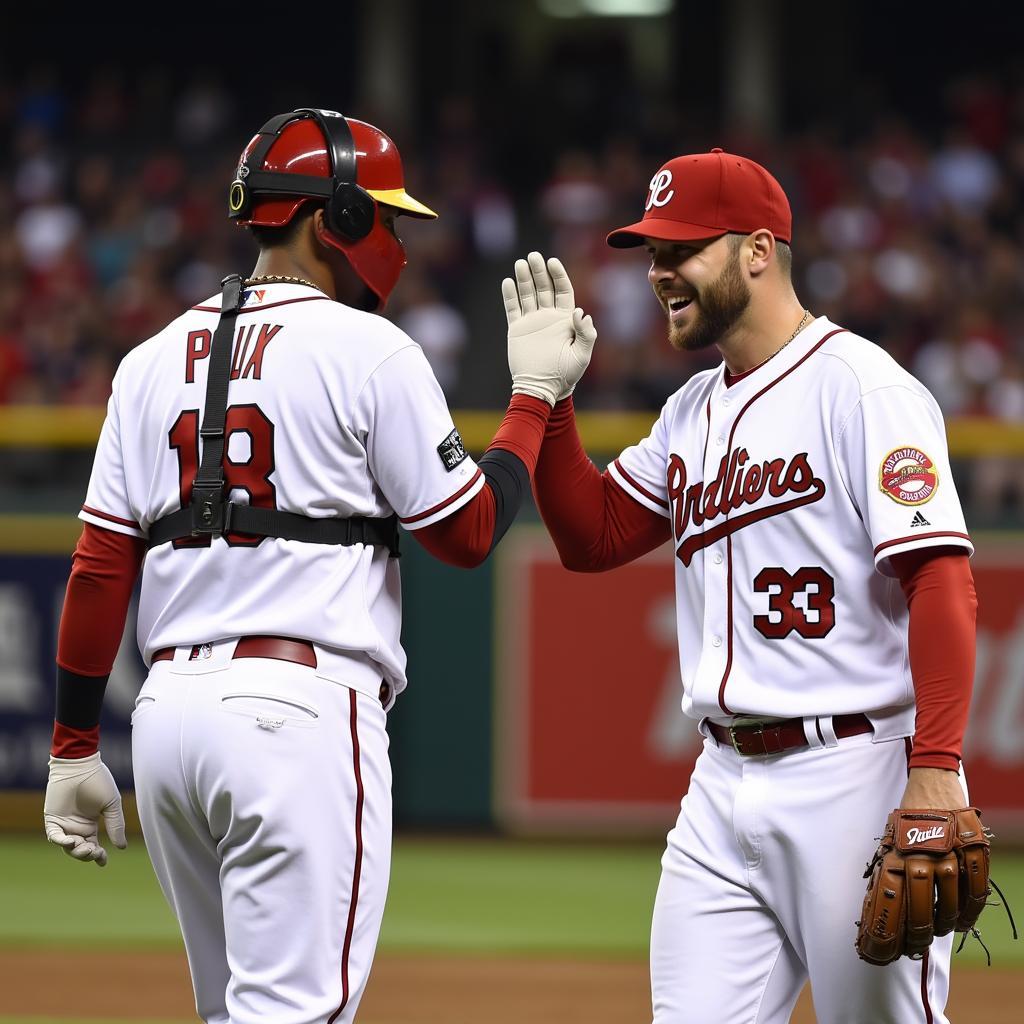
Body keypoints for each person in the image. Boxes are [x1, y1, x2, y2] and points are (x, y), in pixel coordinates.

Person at [41, 107, 594, 1024]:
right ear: (329, 216)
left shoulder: (144, 361)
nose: (396, 241)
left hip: (167, 724)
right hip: (294, 716)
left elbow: (101, 567)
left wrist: (71, 747)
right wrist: (533, 400)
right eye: (383, 215)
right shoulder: (369, 349)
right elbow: (466, 533)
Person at [507, 148, 980, 1023]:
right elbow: (595, 537)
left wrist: (937, 770)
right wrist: (551, 400)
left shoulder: (864, 388)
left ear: (757, 251)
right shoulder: (691, 409)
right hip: (720, 787)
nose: (658, 273)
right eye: (651, 254)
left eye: (680, 250)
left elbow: (941, 583)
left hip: (854, 772)